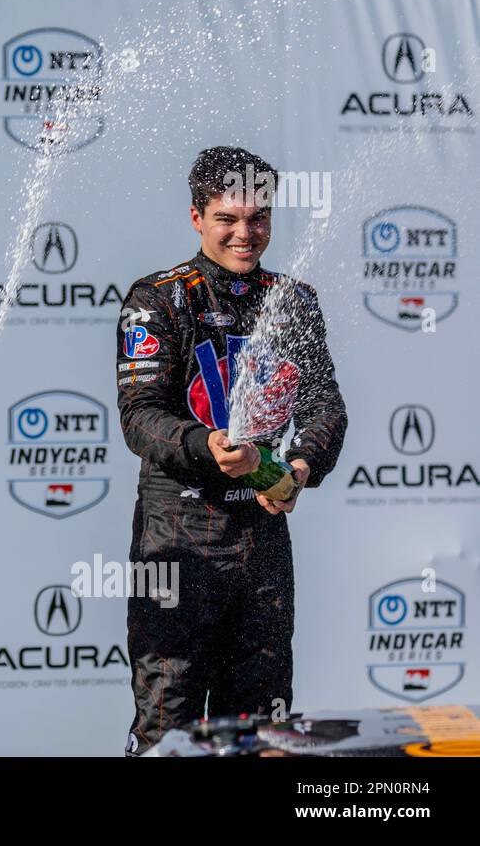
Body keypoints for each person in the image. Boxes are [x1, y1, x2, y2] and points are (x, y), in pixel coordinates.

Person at [116, 146, 347, 756]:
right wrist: (206, 445)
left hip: (262, 537)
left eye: (259, 218)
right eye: (228, 219)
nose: (246, 233)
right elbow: (140, 418)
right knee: (167, 728)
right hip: (177, 536)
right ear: (197, 217)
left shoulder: (293, 300)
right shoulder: (158, 298)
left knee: (265, 732)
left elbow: (326, 409)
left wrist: (297, 468)